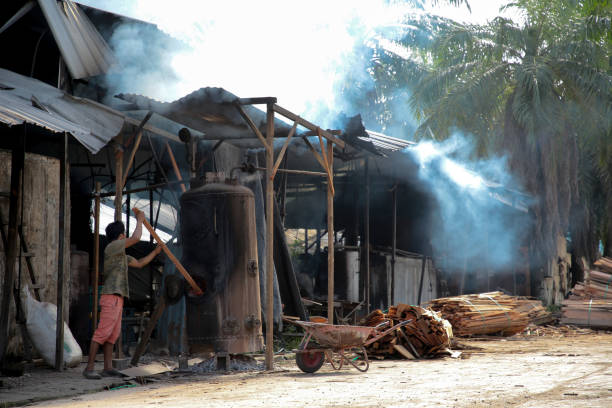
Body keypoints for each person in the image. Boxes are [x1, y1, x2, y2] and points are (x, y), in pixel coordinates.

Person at [83, 209, 162, 379]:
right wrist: (140, 220)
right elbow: (135, 238)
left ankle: (107, 367)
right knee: (102, 333)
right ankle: (89, 368)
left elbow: (140, 263)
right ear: (120, 235)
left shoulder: (120, 255)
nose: (126, 235)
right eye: (124, 233)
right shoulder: (112, 247)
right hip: (111, 296)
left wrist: (155, 253)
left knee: (112, 335)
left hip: (118, 298)